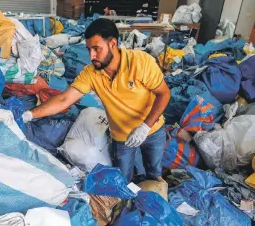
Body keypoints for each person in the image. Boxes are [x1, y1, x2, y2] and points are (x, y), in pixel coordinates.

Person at [22, 18, 171, 182]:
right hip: (121, 136)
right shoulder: (91, 73)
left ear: (113, 44)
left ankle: (154, 202)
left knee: (154, 175)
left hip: (152, 128)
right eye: (88, 49)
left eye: (96, 49)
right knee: (122, 180)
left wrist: (144, 127)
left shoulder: (141, 62)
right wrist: (30, 114)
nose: (91, 55)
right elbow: (64, 99)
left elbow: (164, 94)